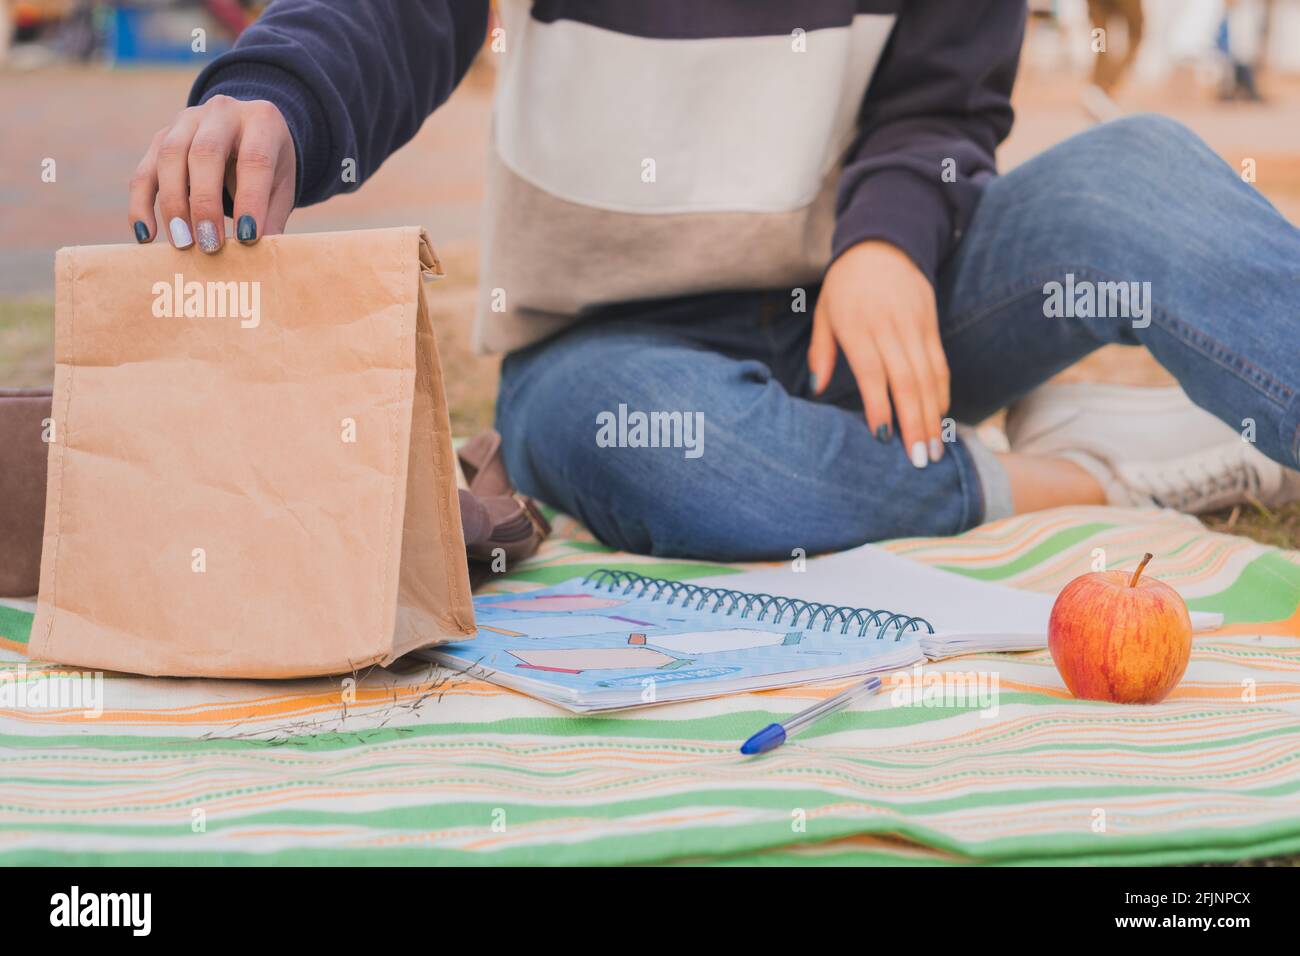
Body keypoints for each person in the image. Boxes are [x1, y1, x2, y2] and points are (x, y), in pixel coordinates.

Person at [126, 0, 1300, 561]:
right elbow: (397, 14)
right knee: (640, 443)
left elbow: (948, 103)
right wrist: (273, 94)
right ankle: (1077, 475)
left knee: (1139, 172)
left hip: (884, 320)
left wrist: (886, 237)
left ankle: (960, 456)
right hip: (618, 351)